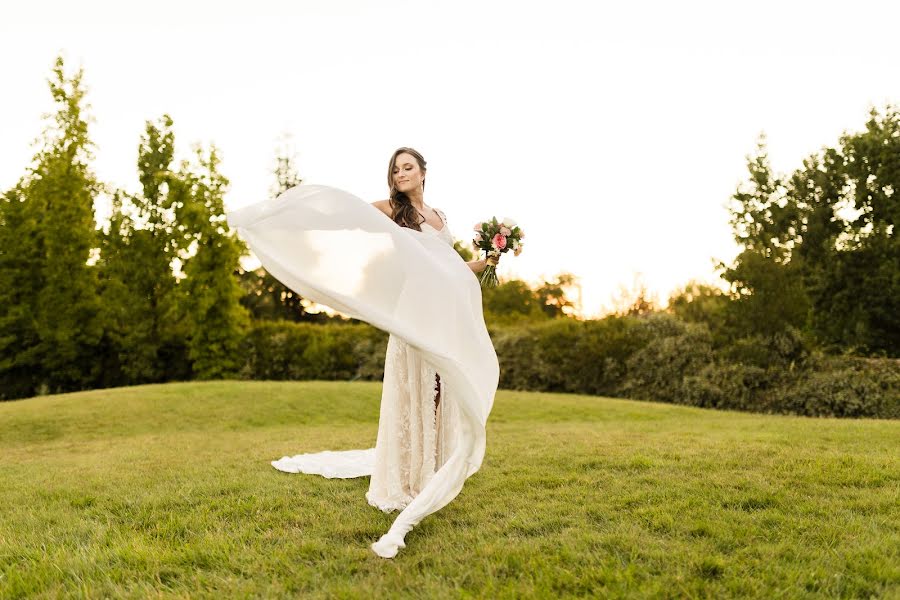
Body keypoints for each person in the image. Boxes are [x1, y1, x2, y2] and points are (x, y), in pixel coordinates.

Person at [365, 147, 499, 512]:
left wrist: (487, 261)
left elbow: (451, 265)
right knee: (417, 385)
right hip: (414, 307)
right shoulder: (393, 210)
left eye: (408, 168)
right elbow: (358, 214)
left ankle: (435, 465)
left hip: (442, 309)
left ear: (424, 171)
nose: (401, 174)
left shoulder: (439, 216)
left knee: (440, 385)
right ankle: (411, 475)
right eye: (395, 171)